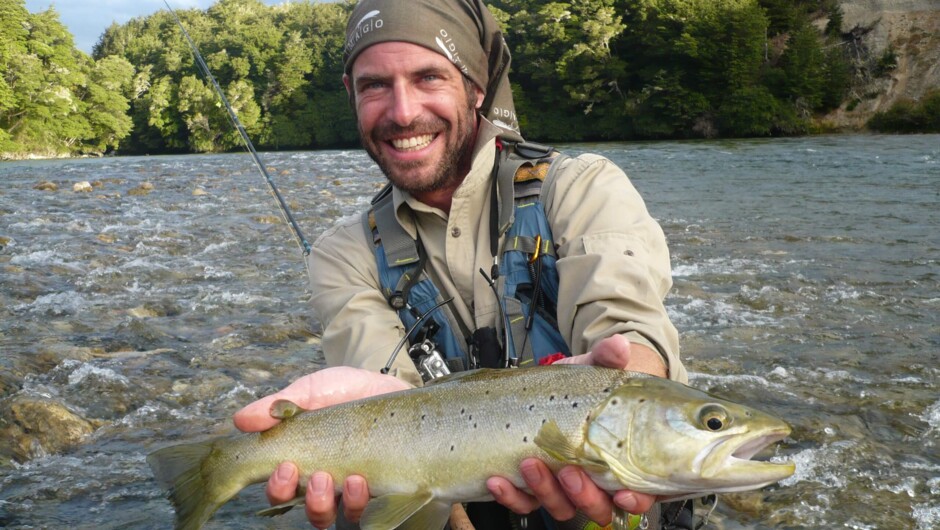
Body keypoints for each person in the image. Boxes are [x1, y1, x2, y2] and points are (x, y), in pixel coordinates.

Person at [233, 0, 689, 528]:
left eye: (429, 77)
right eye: (375, 85)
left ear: (477, 88)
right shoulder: (344, 254)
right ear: (351, 95)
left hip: (604, 502)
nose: (402, 112)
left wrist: (623, 400)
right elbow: (390, 411)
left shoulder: (581, 187)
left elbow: (627, 325)